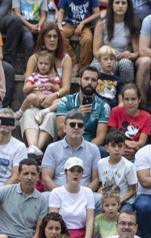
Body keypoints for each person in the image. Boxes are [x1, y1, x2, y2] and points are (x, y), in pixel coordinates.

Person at [21, 23, 73, 155]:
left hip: (54, 102)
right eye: (48, 36)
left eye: (55, 36)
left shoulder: (65, 59)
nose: (52, 39)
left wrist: (52, 96)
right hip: (36, 100)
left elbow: (66, 88)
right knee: (28, 113)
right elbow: (27, 83)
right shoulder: (34, 58)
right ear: (42, 39)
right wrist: (40, 96)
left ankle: (35, 149)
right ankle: (32, 146)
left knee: (50, 116)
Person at [48, 157, 96, 238]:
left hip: (81, 234)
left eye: (79, 171)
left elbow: (90, 218)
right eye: (72, 170)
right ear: (65, 173)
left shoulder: (88, 192)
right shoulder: (56, 192)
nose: (75, 173)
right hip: (61, 233)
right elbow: (53, 219)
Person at [41, 110, 100, 193]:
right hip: (58, 194)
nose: (76, 127)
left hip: (84, 194)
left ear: (83, 129)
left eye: (80, 125)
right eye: (72, 124)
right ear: (64, 128)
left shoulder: (93, 149)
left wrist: (83, 194)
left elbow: (96, 179)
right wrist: (62, 194)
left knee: (99, 198)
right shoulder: (52, 148)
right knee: (44, 197)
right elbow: (46, 178)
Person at [55, 66, 110, 147]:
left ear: (97, 83)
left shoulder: (104, 106)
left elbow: (100, 138)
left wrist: (83, 150)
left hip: (90, 145)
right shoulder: (65, 101)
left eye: (93, 80)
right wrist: (77, 115)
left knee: (102, 151)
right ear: (80, 80)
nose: (89, 82)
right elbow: (60, 132)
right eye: (86, 79)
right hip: (67, 144)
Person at [92, 0, 139, 83]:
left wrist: (129, 55)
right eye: (117, 2)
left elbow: (137, 52)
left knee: (126, 64)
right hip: (104, 57)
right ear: (112, 5)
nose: (120, 6)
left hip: (122, 58)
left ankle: (126, 91)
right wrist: (108, 58)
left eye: (123, 3)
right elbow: (96, 51)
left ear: (128, 6)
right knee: (95, 66)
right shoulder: (102, 23)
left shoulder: (131, 24)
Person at [106, 84, 151, 161]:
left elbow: (141, 142)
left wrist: (133, 147)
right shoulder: (115, 111)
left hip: (135, 151)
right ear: (122, 100)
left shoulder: (147, 116)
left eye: (133, 99)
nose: (130, 102)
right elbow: (112, 135)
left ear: (139, 99)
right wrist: (124, 144)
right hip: (116, 148)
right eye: (126, 99)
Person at [15, 52, 62, 120]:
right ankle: (20, 112)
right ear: (37, 64)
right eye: (41, 63)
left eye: (46, 64)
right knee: (31, 96)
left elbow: (58, 89)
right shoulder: (34, 76)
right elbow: (25, 89)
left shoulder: (54, 76)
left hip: (49, 100)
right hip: (38, 99)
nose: (43, 65)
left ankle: (45, 111)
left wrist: (52, 86)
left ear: (50, 65)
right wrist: (34, 86)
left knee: (60, 101)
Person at [98, 130, 137, 209]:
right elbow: (102, 184)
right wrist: (100, 192)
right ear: (106, 148)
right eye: (113, 145)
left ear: (124, 148)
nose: (117, 149)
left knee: (123, 215)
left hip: (125, 201)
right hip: (108, 201)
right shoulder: (101, 163)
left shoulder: (129, 166)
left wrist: (119, 201)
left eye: (120, 146)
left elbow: (133, 190)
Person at [56, 0, 100, 68]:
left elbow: (97, 13)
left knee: (87, 39)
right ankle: (72, 60)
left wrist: (83, 23)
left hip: (85, 25)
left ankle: (83, 67)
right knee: (60, 35)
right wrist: (59, 25)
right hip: (69, 24)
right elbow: (61, 11)